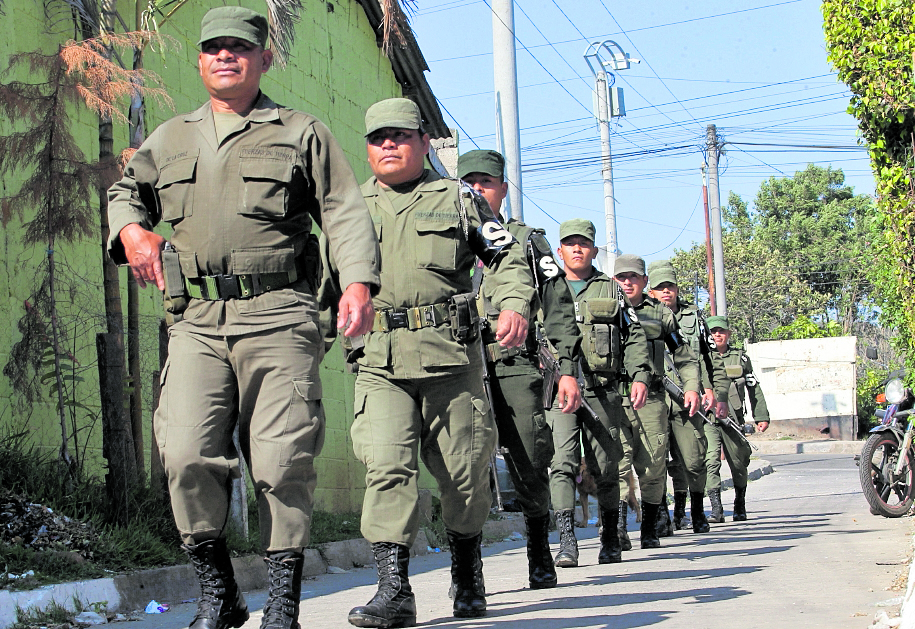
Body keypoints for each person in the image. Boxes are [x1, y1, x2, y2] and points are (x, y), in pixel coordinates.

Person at [106, 7, 380, 629]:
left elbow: (343, 210)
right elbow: (126, 189)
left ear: (264, 59)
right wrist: (132, 230)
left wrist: (357, 283)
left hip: (280, 313)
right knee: (184, 452)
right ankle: (220, 592)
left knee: (282, 461)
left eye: (239, 47)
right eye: (213, 48)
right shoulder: (170, 138)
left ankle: (282, 600)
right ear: (199, 61)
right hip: (196, 318)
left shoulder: (299, 131)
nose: (225, 56)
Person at [347, 99, 535, 627]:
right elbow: (326, 286)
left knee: (465, 479)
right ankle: (394, 591)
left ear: (425, 142)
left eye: (401, 135)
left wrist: (514, 305)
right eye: (378, 136)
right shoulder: (350, 207)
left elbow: (508, 259)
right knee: (385, 466)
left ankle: (467, 568)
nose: (388, 145)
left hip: (452, 362)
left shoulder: (459, 200)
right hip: (380, 363)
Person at [457, 149, 582, 590]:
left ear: (503, 189)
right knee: (464, 466)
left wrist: (566, 369)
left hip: (514, 364)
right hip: (460, 364)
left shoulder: (527, 242)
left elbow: (560, 309)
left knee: (530, 458)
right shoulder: (445, 235)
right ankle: (467, 569)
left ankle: (539, 552)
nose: (477, 190)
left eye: (486, 182)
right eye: (469, 181)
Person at [548, 220, 652, 568]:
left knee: (605, 466)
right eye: (569, 243)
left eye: (584, 243)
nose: (577, 249)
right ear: (559, 250)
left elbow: (634, 336)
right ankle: (566, 542)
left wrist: (639, 376)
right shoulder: (546, 289)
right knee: (561, 464)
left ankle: (610, 536)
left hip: (600, 390)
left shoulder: (610, 291)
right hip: (559, 391)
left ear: (594, 250)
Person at [613, 254, 700, 550]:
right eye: (622, 277)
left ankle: (649, 527)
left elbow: (684, 355)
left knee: (652, 466)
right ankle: (619, 530)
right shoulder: (605, 310)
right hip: (614, 397)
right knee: (619, 463)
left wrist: (691, 387)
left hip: (651, 398)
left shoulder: (660, 315)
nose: (627, 282)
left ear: (644, 282)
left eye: (633, 277)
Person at [647, 260, 729, 536]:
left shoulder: (694, 318)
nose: (666, 292)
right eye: (660, 288)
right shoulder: (642, 316)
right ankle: (662, 516)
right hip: (656, 398)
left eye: (669, 286)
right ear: (651, 291)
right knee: (656, 461)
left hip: (687, 398)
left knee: (692, 459)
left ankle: (695, 510)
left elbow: (707, 359)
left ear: (677, 288)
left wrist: (711, 391)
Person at [705, 315, 770, 522]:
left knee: (738, 462)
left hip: (733, 418)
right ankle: (716, 509)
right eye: (713, 331)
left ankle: (739, 504)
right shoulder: (700, 357)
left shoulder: (740, 358)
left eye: (721, 331)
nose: (717, 335)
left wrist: (761, 415)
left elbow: (753, 386)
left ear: (728, 334)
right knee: (710, 460)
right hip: (707, 417)